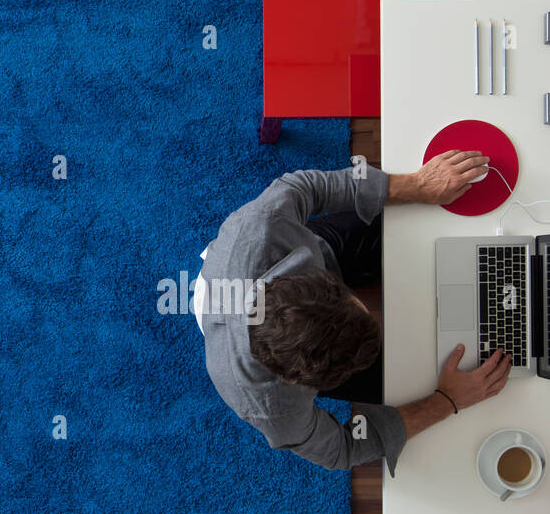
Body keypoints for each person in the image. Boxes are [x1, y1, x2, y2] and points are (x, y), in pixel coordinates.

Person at [195, 151, 512, 473]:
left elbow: (305, 186)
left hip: (282, 260)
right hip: (239, 322)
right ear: (301, 381)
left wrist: (416, 185)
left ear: (320, 280)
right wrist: (446, 401)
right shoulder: (270, 405)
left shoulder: (260, 229)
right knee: (411, 379)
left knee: (395, 220)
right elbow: (342, 450)